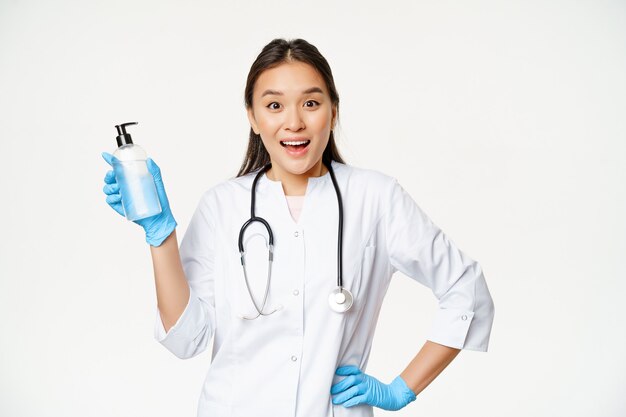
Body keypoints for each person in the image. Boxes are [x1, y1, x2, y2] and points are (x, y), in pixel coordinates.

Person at [101, 38, 494, 417]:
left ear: (334, 112)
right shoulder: (223, 205)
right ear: (253, 118)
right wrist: (160, 235)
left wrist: (401, 389)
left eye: (310, 103)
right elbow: (187, 340)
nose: (294, 122)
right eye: (274, 105)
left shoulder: (375, 197)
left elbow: (466, 290)